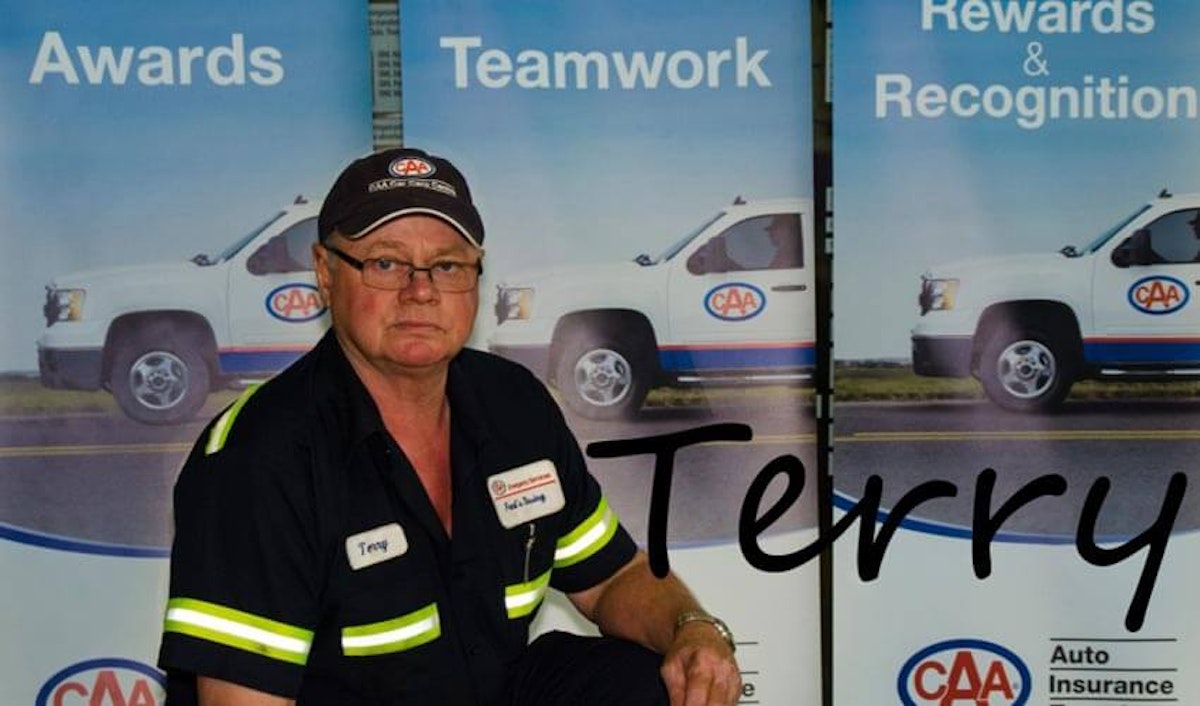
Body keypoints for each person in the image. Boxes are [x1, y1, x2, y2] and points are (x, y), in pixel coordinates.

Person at [157, 147, 741, 706]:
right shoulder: (259, 459)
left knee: (648, 684)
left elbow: (615, 577)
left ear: (476, 278)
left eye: (447, 265)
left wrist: (691, 628)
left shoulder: (516, 406)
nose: (421, 291)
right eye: (386, 262)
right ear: (325, 273)